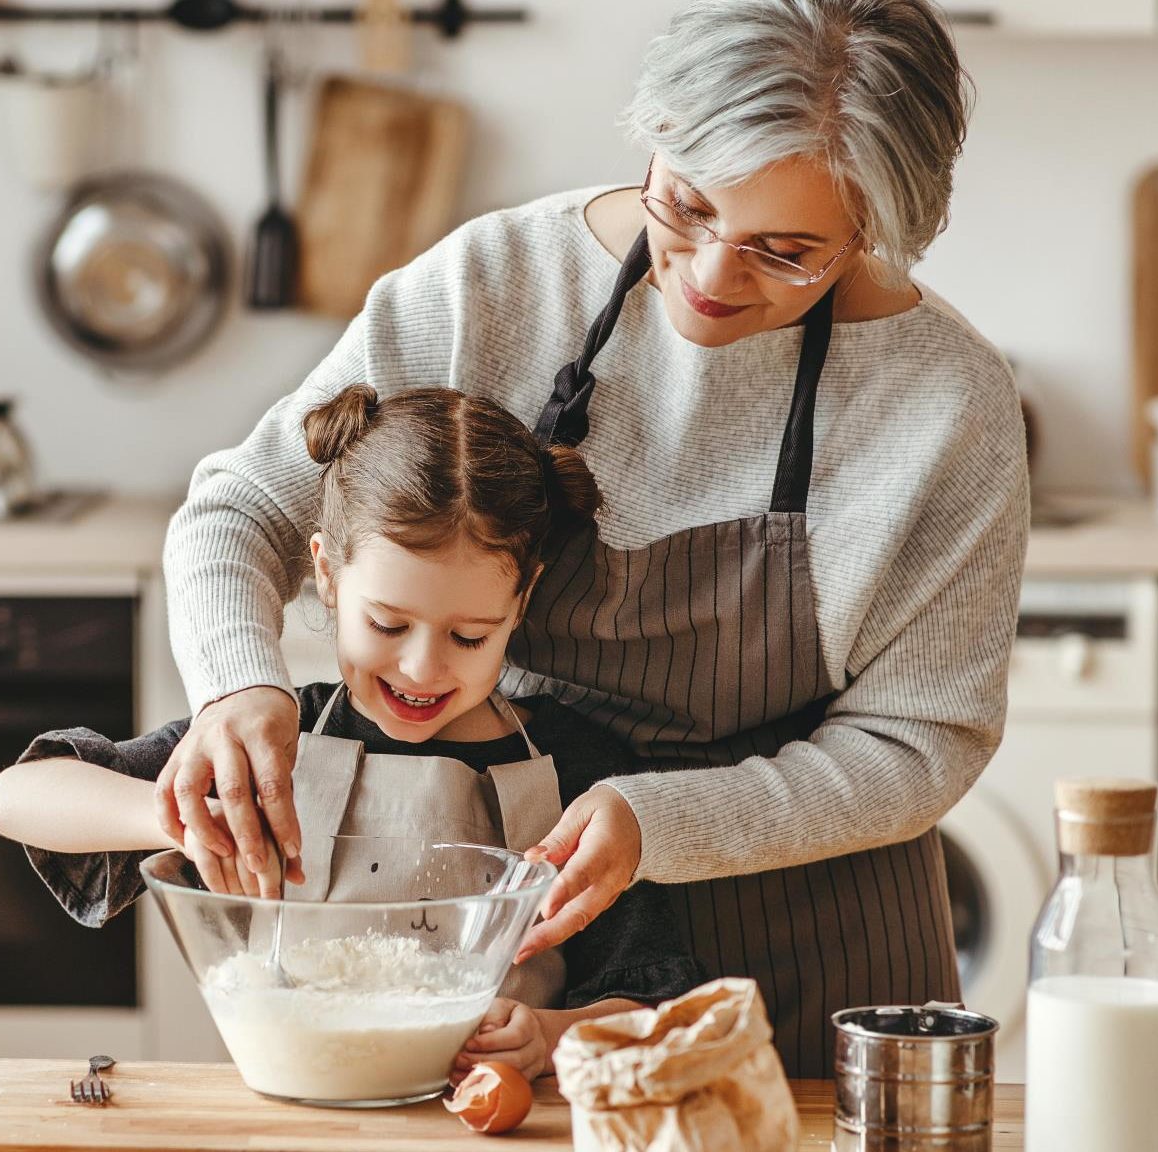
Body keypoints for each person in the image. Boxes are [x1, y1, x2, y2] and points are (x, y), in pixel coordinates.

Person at [152, 0, 1029, 1078]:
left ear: (883, 226)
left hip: (823, 948)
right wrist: (237, 683)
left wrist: (655, 818)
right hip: (534, 955)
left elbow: (921, 744)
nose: (709, 279)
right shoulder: (495, 284)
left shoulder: (948, 403)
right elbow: (243, 511)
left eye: (786, 250)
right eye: (687, 207)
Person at [0, 385, 706, 1080]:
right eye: (388, 624)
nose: (423, 668)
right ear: (326, 575)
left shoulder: (576, 767)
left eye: (469, 635)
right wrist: (177, 817)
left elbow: (654, 1003)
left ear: (523, 601)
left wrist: (551, 1038)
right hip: (301, 1118)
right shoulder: (268, 746)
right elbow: (15, 798)